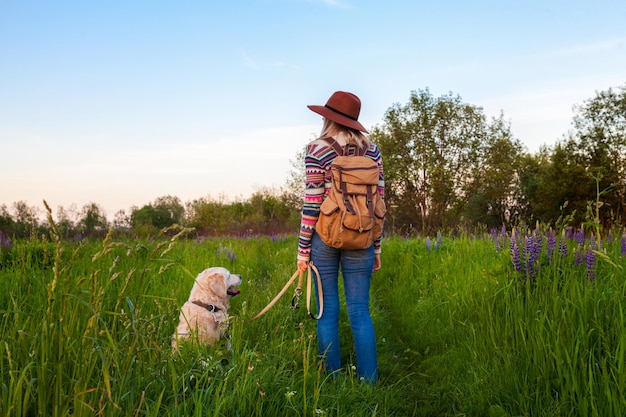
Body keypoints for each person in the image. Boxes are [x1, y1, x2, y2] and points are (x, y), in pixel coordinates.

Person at [296, 91, 384, 384]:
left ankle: (331, 381)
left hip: (326, 238)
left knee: (327, 310)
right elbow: (379, 203)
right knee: (360, 310)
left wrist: (302, 251)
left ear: (327, 118)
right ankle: (369, 383)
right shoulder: (372, 152)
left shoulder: (317, 150)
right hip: (362, 238)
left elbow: (312, 203)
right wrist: (377, 246)